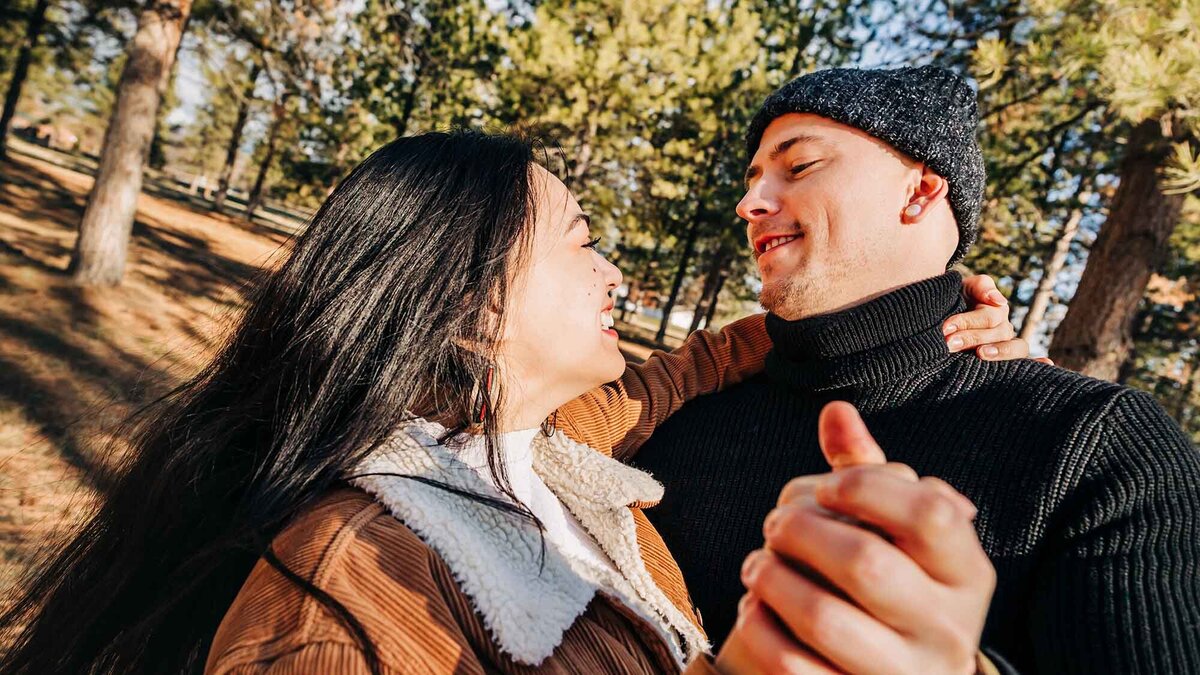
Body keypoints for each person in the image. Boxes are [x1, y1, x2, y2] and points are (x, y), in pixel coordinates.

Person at [0, 130, 1023, 675]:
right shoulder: (344, 601)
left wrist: (913, 313)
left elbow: (686, 369)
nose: (616, 272)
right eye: (582, 241)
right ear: (465, 308)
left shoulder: (529, 453)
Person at [629, 65, 1200, 674]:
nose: (749, 204)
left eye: (798, 167)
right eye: (753, 179)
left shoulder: (1100, 447)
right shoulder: (674, 411)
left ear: (921, 193)